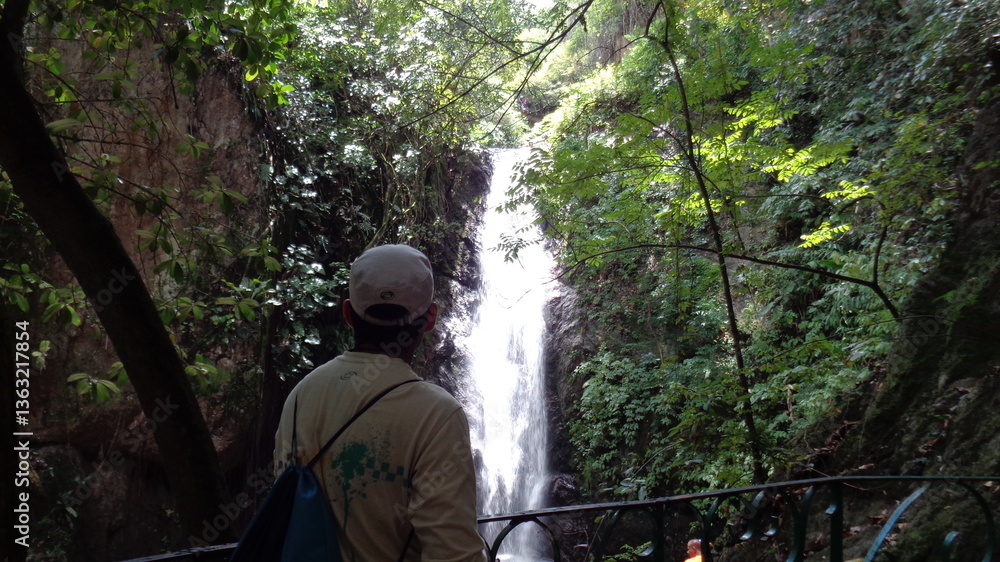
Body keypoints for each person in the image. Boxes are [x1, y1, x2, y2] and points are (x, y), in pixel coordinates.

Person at [273, 244, 488, 562]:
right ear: (430, 318)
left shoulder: (302, 394)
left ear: (348, 314)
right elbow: (453, 555)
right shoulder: (436, 414)